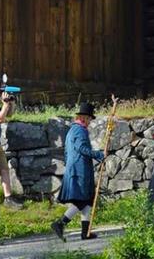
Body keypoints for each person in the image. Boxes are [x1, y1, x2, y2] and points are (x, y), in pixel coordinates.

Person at [51, 103, 104, 242]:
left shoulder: (72, 130)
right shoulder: (80, 130)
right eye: (90, 118)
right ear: (84, 117)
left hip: (75, 168)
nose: (90, 121)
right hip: (80, 169)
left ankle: (85, 233)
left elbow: (68, 151)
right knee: (82, 199)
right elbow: (81, 148)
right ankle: (60, 223)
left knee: (86, 200)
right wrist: (98, 154)